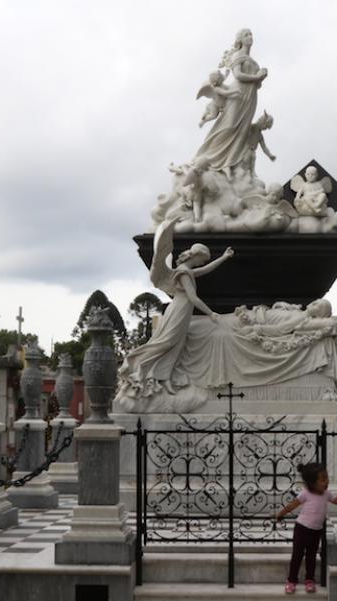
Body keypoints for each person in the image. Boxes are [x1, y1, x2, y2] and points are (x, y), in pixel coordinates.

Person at [116, 219, 233, 398]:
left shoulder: (186, 270)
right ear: (197, 255)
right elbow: (192, 297)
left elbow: (206, 270)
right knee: (166, 343)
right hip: (178, 310)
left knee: (176, 347)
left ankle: (165, 380)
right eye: (203, 259)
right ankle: (138, 366)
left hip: (184, 312)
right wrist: (211, 313)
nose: (203, 263)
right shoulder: (184, 272)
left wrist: (224, 257)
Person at [194, 28, 268, 175]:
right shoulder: (238, 55)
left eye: (251, 34)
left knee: (242, 131)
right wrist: (257, 77)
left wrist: (262, 76)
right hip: (237, 94)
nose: (250, 37)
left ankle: (230, 163)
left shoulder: (253, 61)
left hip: (251, 96)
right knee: (228, 125)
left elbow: (257, 84)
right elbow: (238, 75)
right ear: (240, 39)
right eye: (246, 35)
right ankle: (208, 157)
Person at [275, 463, 337, 594]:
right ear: (312, 482)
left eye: (326, 478)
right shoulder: (305, 494)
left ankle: (309, 580)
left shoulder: (326, 494)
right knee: (297, 556)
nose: (326, 482)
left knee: (311, 557)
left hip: (316, 532)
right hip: (301, 529)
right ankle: (291, 580)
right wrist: (280, 514)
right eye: (322, 479)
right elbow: (292, 505)